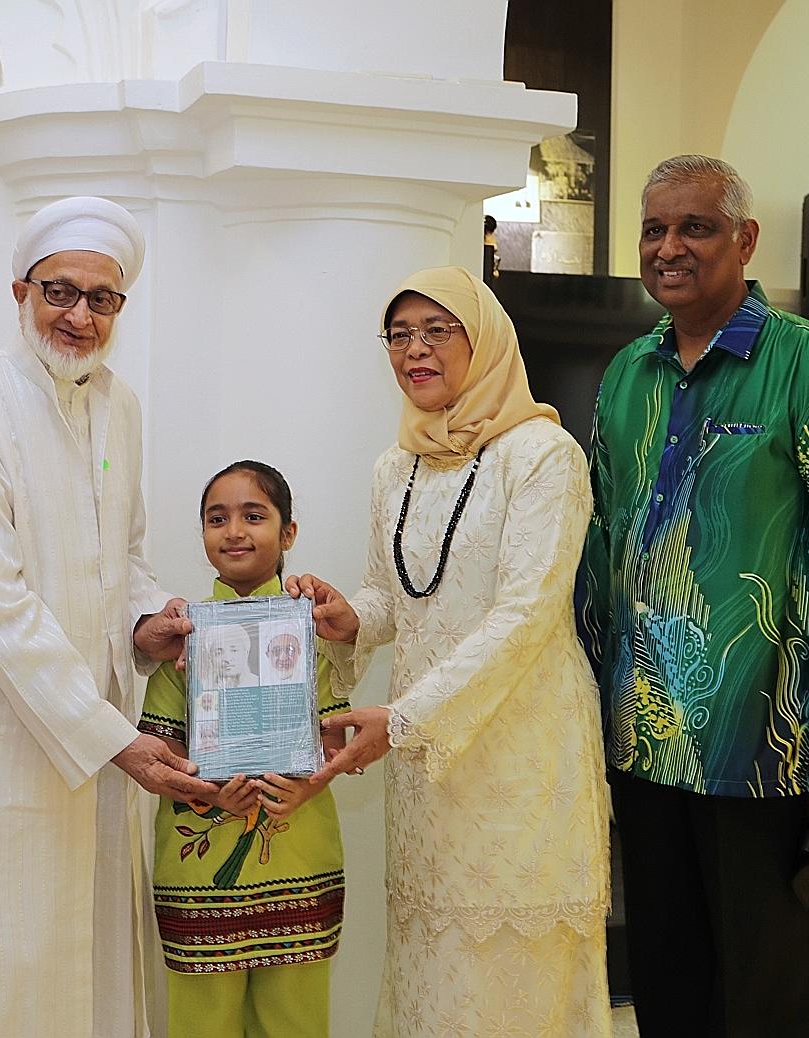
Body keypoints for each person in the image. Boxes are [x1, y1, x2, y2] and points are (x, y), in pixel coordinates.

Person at [577, 154, 809, 1038]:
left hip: (766, 742)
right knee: (667, 977)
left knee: (765, 991)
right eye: (654, 229)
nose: (669, 247)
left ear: (745, 240)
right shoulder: (626, 375)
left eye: (696, 227)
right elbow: (600, 549)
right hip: (643, 739)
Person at [0, 196, 215, 1037]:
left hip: (102, 742)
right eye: (60, 292)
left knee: (87, 972)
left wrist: (148, 621)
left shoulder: (121, 405)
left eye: (101, 299)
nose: (79, 316)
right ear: (19, 292)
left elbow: (129, 555)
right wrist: (113, 737)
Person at [290, 266, 612, 1035]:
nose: (415, 351)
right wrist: (349, 620)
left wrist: (400, 720)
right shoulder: (394, 466)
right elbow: (393, 594)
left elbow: (526, 613)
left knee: (513, 970)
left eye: (438, 331)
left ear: (486, 340)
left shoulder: (543, 455)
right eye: (400, 335)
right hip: (430, 770)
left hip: (522, 758)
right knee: (434, 970)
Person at [139, 460, 349, 1038]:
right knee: (200, 1023)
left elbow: (333, 739)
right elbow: (161, 746)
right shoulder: (184, 636)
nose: (234, 531)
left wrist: (304, 785)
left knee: (296, 1022)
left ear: (288, 533)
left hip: (298, 855)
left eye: (253, 516)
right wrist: (205, 791)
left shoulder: (312, 628)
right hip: (199, 870)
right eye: (217, 518)